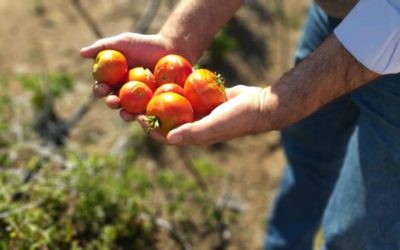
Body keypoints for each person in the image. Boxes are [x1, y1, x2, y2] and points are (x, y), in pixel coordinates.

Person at [80, 0, 400, 249]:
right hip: (339, 13)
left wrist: (281, 102)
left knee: (357, 232)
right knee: (307, 156)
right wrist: (180, 36)